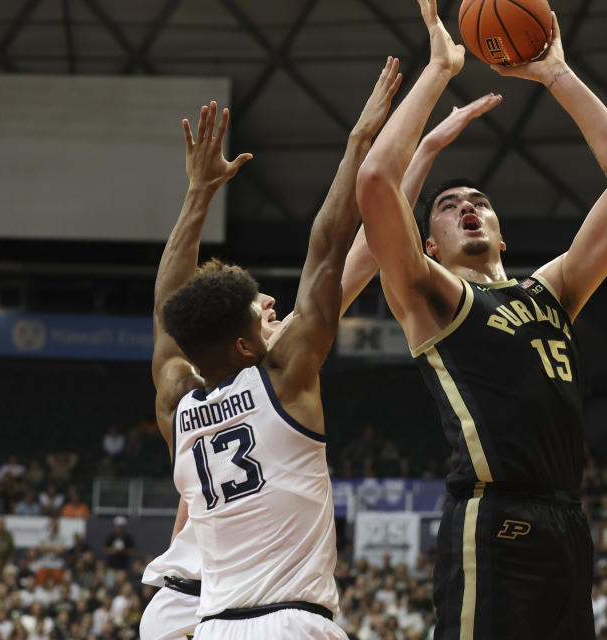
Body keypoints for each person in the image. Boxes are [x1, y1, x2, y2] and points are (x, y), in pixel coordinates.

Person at [138, 73, 499, 640]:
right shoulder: (283, 378)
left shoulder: (179, 403)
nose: (273, 305)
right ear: (244, 343)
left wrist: (198, 193)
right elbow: (332, 251)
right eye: (262, 311)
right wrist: (359, 143)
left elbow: (168, 318)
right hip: (260, 611)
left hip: (196, 617)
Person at [356, 0, 607, 637]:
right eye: (448, 206)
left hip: (569, 525)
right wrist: (437, 82)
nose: (468, 208)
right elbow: (378, 180)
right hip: (493, 521)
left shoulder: (553, 290)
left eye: (480, 203)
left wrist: (556, 73)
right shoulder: (430, 295)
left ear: (502, 233)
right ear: (427, 242)